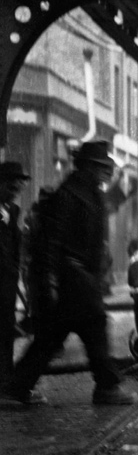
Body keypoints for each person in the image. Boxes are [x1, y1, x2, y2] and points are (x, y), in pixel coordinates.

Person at [2, 141, 138, 406]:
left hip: (78, 279)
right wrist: (49, 281)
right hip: (71, 277)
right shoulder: (68, 195)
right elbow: (51, 242)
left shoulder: (88, 193)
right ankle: (107, 386)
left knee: (51, 339)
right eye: (100, 167)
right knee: (94, 325)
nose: (105, 172)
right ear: (86, 167)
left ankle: (15, 389)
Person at [0, 162, 30, 389]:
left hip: (7, 285)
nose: (15, 190)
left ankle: (6, 377)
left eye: (17, 186)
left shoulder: (13, 211)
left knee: (6, 328)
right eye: (10, 185)